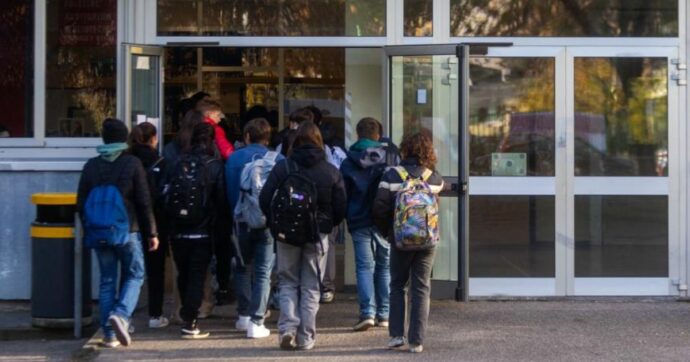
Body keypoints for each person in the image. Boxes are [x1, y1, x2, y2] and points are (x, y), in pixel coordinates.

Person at [259, 121, 346, 351]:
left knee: (287, 281)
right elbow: (340, 207)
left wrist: (274, 222)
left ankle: (287, 329)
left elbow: (264, 198)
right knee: (311, 286)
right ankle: (306, 337)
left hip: (287, 233)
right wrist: (328, 225)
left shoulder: (284, 167)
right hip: (317, 234)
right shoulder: (330, 171)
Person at [77, 118, 159, 348]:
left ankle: (109, 335)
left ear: (103, 138)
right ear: (124, 138)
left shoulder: (91, 166)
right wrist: (152, 232)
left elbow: (80, 202)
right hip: (127, 231)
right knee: (135, 274)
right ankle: (121, 315)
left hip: (98, 232)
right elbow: (144, 201)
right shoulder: (132, 163)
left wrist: (90, 225)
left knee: (107, 281)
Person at [372, 130, 444, 353]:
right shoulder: (434, 178)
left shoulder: (391, 175)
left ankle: (395, 335)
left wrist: (389, 233)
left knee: (397, 285)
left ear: (405, 149)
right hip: (427, 241)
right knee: (421, 288)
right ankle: (417, 341)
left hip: (400, 240)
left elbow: (379, 208)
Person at [167, 122, 229, 339]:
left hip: (177, 230)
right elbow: (221, 201)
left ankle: (186, 312)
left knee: (183, 274)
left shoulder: (177, 163)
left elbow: (163, 195)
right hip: (202, 230)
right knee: (197, 275)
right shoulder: (213, 165)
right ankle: (191, 320)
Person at [226, 118, 284, 338]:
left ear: (247, 136)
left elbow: (230, 192)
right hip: (268, 222)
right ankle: (257, 320)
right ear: (268, 137)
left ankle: (243, 315)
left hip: (241, 222)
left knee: (241, 267)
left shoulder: (233, 158)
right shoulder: (278, 159)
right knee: (263, 271)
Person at [339, 117, 397, 331]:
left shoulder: (347, 161)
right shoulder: (389, 156)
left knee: (364, 266)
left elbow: (343, 193)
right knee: (384, 266)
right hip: (384, 219)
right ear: (378, 135)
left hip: (358, 218)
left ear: (358, 134)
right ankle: (385, 314)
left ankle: (367, 313)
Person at [128, 123, 169, 329]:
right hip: (156, 221)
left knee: (129, 272)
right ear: (153, 139)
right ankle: (155, 314)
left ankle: (127, 316)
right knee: (155, 270)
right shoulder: (160, 161)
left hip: (129, 221)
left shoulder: (126, 161)